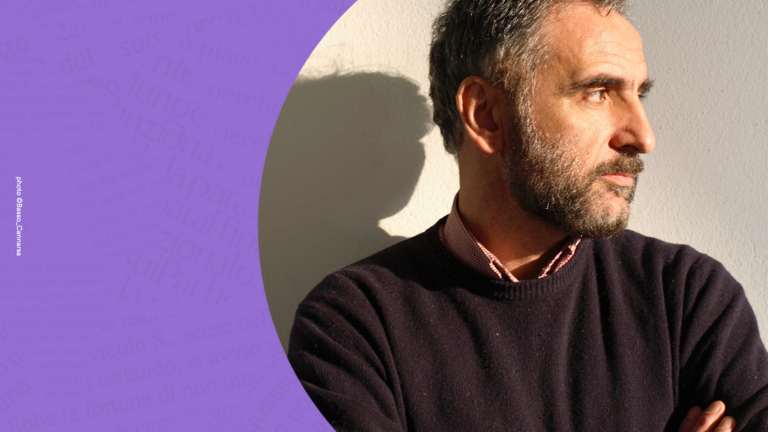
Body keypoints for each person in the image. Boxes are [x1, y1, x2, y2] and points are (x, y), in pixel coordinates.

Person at [287, 0, 768, 430]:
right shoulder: (353, 326)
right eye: (598, 91)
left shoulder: (686, 297)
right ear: (486, 115)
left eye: (638, 94)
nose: (643, 137)